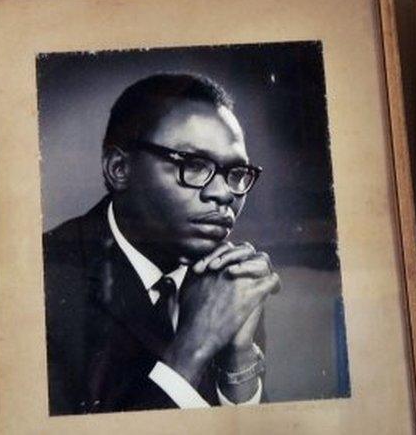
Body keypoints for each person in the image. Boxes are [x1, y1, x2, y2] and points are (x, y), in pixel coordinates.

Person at [42, 73, 280, 415]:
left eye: (236, 173)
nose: (225, 193)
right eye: (194, 165)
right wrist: (193, 347)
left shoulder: (228, 279)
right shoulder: (44, 281)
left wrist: (238, 362)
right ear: (119, 168)